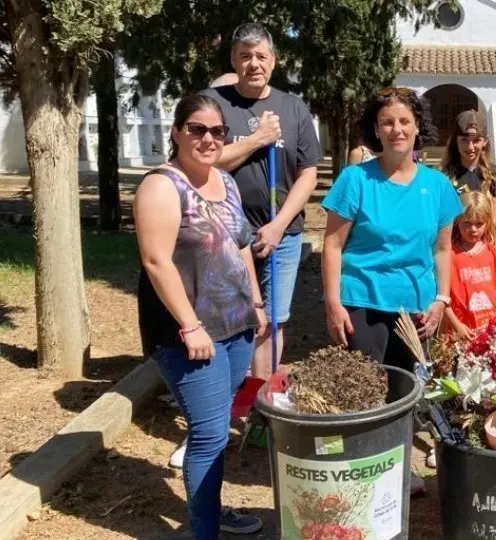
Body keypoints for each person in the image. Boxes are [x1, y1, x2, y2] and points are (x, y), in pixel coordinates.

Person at [135, 94, 267, 539]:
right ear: (177, 132)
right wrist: (190, 325)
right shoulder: (161, 186)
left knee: (215, 430)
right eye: (197, 129)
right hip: (187, 335)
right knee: (209, 434)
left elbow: (242, 244)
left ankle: (210, 509)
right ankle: (204, 530)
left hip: (236, 327)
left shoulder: (224, 182)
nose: (208, 139)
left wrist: (256, 303)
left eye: (217, 131)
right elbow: (156, 261)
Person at [321, 87, 462, 496]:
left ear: (418, 127)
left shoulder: (437, 187)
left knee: (407, 394)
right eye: (387, 122)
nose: (396, 129)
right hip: (362, 301)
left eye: (404, 121)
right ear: (376, 131)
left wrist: (441, 299)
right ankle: (362, 473)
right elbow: (331, 245)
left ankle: (399, 470)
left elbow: (442, 249)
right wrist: (332, 302)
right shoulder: (356, 180)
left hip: (416, 308)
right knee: (367, 393)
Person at [202, 23, 322, 380]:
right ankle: (227, 392)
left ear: (274, 61)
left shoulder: (293, 107)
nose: (253, 63)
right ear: (233, 61)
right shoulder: (216, 105)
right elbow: (205, 159)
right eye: (245, 56)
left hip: (280, 235)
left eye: (260, 56)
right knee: (227, 317)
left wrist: (278, 226)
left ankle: (259, 398)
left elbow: (308, 173)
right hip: (224, 233)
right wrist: (258, 139)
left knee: (271, 319)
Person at [445, 191, 496, 340]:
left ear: (487, 223)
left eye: (479, 224)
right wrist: (457, 325)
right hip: (459, 331)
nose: (473, 229)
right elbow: (443, 297)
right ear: (457, 221)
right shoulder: (449, 255)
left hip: (490, 330)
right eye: (467, 223)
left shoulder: (494, 254)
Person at [441, 110, 496, 227]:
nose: (470, 147)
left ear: (485, 141)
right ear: (456, 141)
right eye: (464, 140)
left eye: (476, 140)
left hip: (487, 243)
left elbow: (492, 223)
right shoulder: (443, 177)